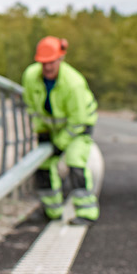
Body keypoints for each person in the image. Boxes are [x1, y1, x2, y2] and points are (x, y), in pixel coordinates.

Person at [21, 36, 99, 224]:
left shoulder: (73, 83)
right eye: (43, 63)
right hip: (52, 129)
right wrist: (42, 133)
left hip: (78, 129)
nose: (47, 67)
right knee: (44, 165)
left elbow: (78, 120)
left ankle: (86, 212)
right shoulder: (31, 77)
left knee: (75, 161)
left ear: (61, 59)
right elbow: (33, 109)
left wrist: (60, 143)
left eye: (51, 62)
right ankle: (52, 210)